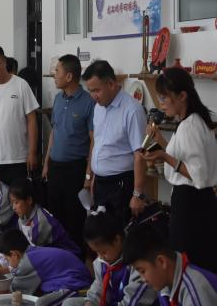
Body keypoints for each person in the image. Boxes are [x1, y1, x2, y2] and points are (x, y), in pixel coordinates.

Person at [142, 68, 217, 272]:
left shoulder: (190, 125)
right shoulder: (193, 121)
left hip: (191, 203)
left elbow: (197, 175)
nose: (161, 103)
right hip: (196, 201)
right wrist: (160, 141)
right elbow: (185, 158)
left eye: (164, 97)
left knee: (190, 264)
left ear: (182, 96)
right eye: (159, 97)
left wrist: (163, 156)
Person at [82, 60, 147, 224]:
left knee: (118, 232)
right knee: (100, 232)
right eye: (90, 91)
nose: (93, 96)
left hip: (121, 185)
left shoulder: (132, 110)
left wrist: (137, 194)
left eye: (96, 90)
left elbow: (140, 155)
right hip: (100, 183)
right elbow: (97, 143)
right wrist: (92, 175)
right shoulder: (98, 107)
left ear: (111, 84)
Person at [42, 54, 95, 254]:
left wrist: (88, 175)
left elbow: (94, 141)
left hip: (76, 169)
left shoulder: (88, 102)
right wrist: (46, 163)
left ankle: (76, 262)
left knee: (74, 220)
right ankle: (59, 260)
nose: (54, 75)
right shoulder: (58, 99)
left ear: (69, 76)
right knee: (55, 218)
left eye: (57, 71)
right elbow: (54, 132)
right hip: (55, 168)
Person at [62, 209, 158, 306]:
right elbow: (99, 285)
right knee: (69, 303)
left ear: (117, 240)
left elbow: (133, 301)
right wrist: (90, 302)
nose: (100, 257)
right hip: (112, 302)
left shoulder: (137, 259)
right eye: (96, 252)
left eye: (104, 252)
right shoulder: (101, 262)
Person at [0, 45, 39, 186]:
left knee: (18, 197)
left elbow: (32, 120)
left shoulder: (21, 85)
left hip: (18, 158)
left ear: (4, 62)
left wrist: (32, 152)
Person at [0, 229, 91, 306]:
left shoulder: (28, 261)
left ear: (14, 254)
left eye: (7, 259)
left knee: (41, 303)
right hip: (69, 278)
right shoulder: (32, 252)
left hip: (77, 284)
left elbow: (16, 289)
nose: (8, 263)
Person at [123, 224, 217, 306]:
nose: (143, 279)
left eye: (143, 271)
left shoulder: (196, 292)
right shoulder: (165, 284)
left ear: (161, 261)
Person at [9, 178, 81, 257]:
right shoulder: (23, 215)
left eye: (16, 202)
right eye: (12, 203)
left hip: (67, 256)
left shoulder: (41, 221)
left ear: (29, 200)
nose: (14, 207)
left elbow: (33, 253)